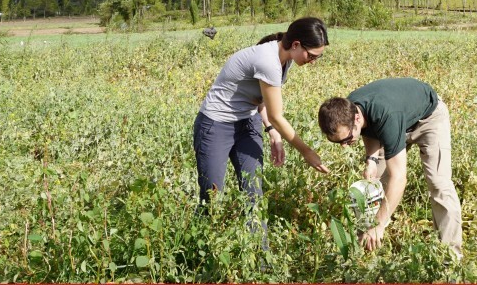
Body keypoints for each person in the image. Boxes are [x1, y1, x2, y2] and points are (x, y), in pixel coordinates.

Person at [194, 17, 331, 207]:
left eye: (318, 57)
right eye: (312, 56)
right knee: (212, 195)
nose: (313, 61)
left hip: (248, 121)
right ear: (296, 45)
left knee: (254, 193)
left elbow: (263, 100)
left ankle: (257, 238)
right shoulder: (268, 60)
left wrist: (271, 131)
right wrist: (306, 152)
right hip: (216, 124)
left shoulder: (286, 58)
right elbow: (276, 115)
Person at [318, 77, 462, 256]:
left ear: (356, 118)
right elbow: (369, 127)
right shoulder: (349, 108)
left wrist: (378, 224)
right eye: (338, 142)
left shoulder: (387, 115)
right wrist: (371, 159)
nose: (344, 145)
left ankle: (450, 258)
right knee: (374, 186)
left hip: (428, 119)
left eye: (347, 139)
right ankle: (365, 250)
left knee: (439, 185)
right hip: (397, 120)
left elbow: (399, 178)